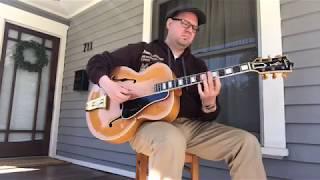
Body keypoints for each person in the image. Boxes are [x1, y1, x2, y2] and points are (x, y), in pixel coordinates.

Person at [86, 5, 266, 180]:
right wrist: (108, 84)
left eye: (194, 28)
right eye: (185, 24)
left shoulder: (198, 67)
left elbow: (209, 116)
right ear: (169, 23)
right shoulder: (143, 51)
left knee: (246, 143)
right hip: (147, 126)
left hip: (192, 129)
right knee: (172, 140)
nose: (190, 30)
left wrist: (209, 103)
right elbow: (97, 61)